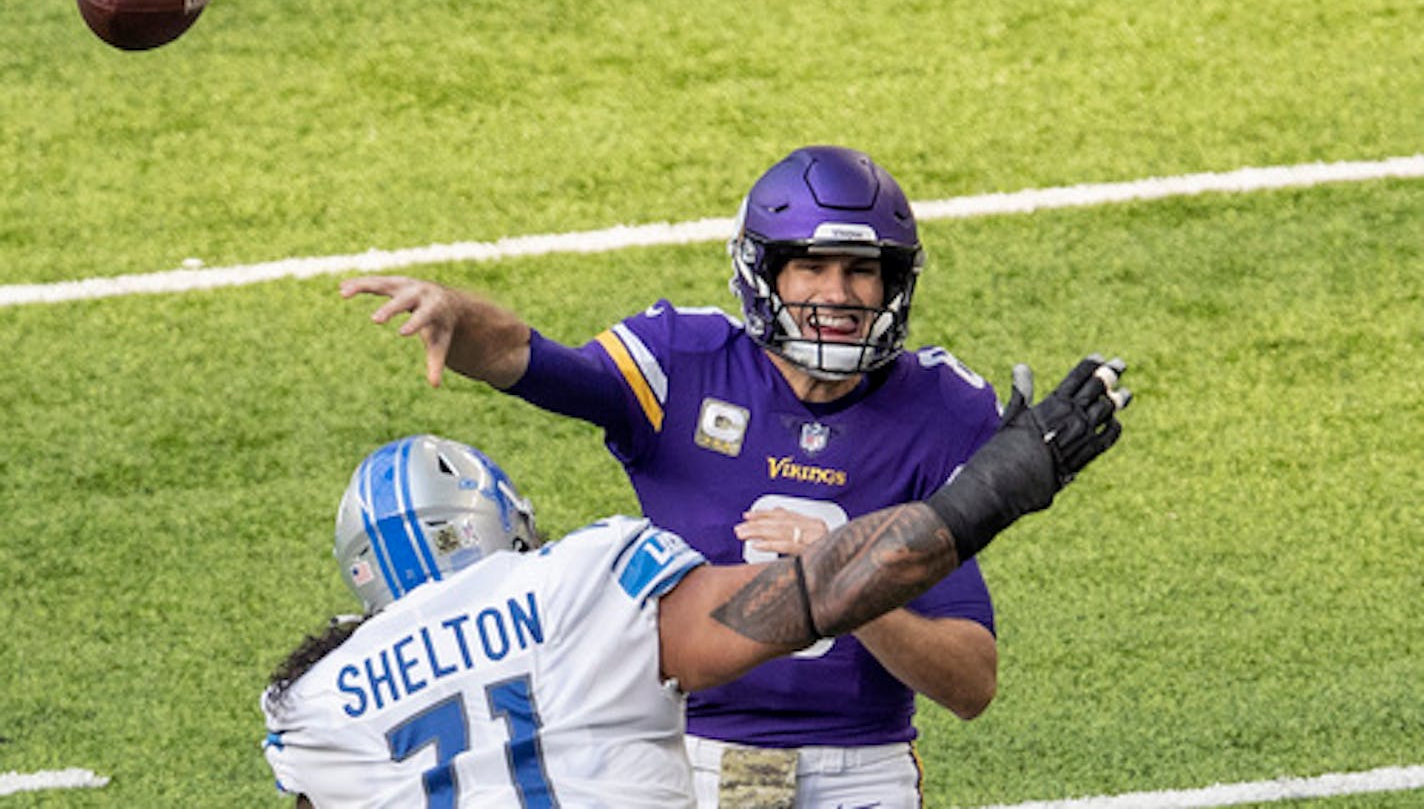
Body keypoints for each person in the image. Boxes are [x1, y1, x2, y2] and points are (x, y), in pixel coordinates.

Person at [339, 146, 1028, 804]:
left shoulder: (937, 407)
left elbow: (969, 681)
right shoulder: (684, 363)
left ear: (894, 281)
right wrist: (457, 317)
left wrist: (841, 580)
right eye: (811, 268)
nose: (839, 294)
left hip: (861, 767)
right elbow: (532, 359)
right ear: (765, 272)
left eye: (861, 269)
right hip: (685, 754)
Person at [260, 356, 1130, 807]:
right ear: (504, 522)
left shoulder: (315, 704)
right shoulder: (580, 588)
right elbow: (817, 593)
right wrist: (993, 490)